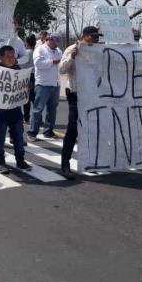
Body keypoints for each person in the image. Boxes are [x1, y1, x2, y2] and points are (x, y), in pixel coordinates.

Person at [58, 26, 101, 178]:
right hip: (76, 94)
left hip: (92, 94)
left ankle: (90, 162)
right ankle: (65, 165)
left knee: (92, 129)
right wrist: (72, 57)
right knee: (73, 129)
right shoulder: (72, 48)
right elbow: (62, 69)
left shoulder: (97, 51)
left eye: (97, 36)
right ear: (85, 36)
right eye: (93, 36)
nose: (96, 39)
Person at [0, 46, 32, 174]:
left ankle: (20, 160)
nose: (12, 58)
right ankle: (1, 162)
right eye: (8, 56)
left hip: (15, 109)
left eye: (13, 56)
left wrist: (27, 85)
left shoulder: (18, 69)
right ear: (1, 57)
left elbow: (27, 86)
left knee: (18, 137)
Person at [28, 33, 62, 141]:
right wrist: (52, 62)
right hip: (43, 84)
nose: (57, 44)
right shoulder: (40, 49)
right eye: (55, 42)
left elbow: (61, 64)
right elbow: (38, 64)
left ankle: (48, 131)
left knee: (52, 109)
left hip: (55, 83)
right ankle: (32, 132)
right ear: (50, 39)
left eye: (58, 42)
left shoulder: (58, 51)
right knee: (38, 109)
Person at [22, 34, 37, 125]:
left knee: (27, 99)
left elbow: (22, 65)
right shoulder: (36, 51)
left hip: (27, 75)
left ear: (27, 43)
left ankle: (26, 118)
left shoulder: (26, 53)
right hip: (35, 75)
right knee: (34, 98)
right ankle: (37, 117)